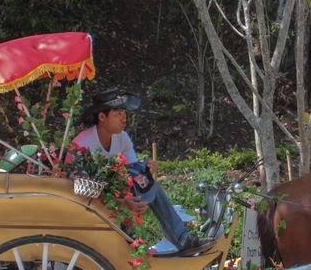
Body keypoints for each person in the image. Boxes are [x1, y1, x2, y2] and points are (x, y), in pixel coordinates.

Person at [73, 88, 214, 256]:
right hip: (85, 202)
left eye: (124, 113)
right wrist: (121, 201)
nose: (124, 118)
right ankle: (172, 237)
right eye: (117, 113)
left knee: (150, 184)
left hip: (113, 196)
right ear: (102, 117)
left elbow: (132, 171)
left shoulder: (122, 137)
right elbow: (79, 187)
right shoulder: (84, 143)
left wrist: (146, 170)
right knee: (142, 189)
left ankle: (179, 238)